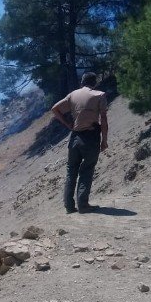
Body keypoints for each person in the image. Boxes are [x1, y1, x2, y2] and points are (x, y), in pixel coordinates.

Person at [51, 72, 108, 213]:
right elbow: (103, 119)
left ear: (82, 82)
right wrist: (104, 140)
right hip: (91, 137)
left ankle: (69, 206)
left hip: (75, 137)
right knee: (87, 170)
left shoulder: (73, 95)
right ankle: (83, 205)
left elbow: (55, 109)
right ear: (94, 82)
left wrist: (68, 124)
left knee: (71, 171)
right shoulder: (99, 95)